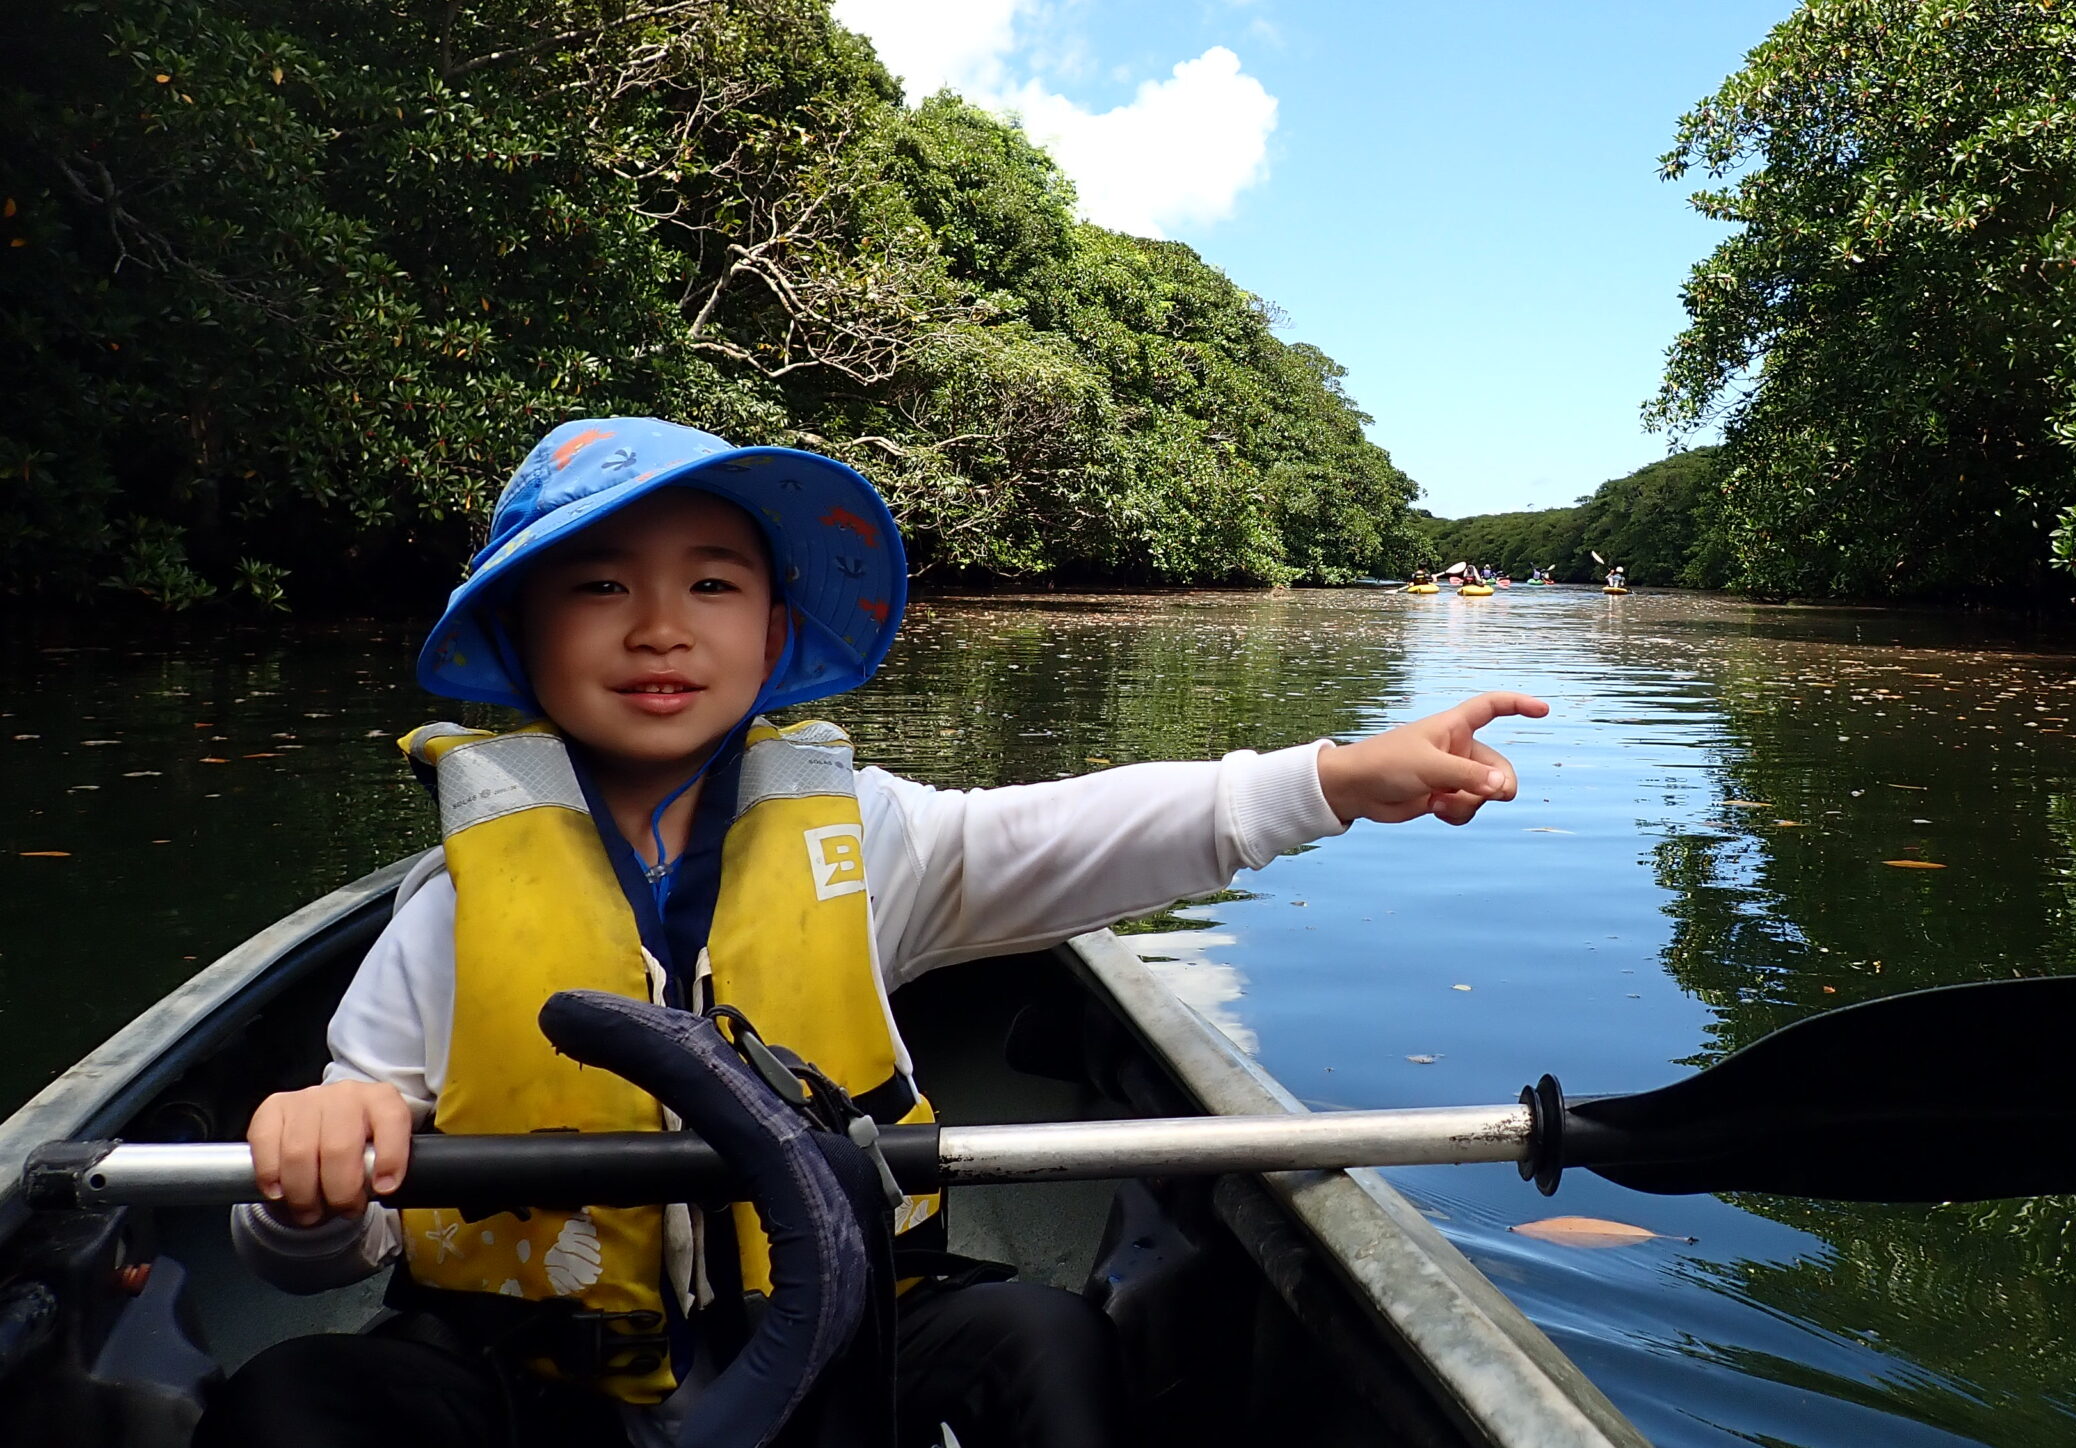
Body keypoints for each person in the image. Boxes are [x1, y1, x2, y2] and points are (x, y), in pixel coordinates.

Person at [195, 417, 1543, 1448]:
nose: (659, 628)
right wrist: (310, 1182)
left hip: (843, 1336)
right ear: (520, 633)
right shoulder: (450, 906)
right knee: (293, 1395)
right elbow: (314, 1246)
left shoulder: (870, 838)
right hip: (531, 1374)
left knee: (1040, 1341)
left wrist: (1333, 779)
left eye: (711, 585)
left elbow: (1084, 832)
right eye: (598, 587)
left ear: (773, 632)